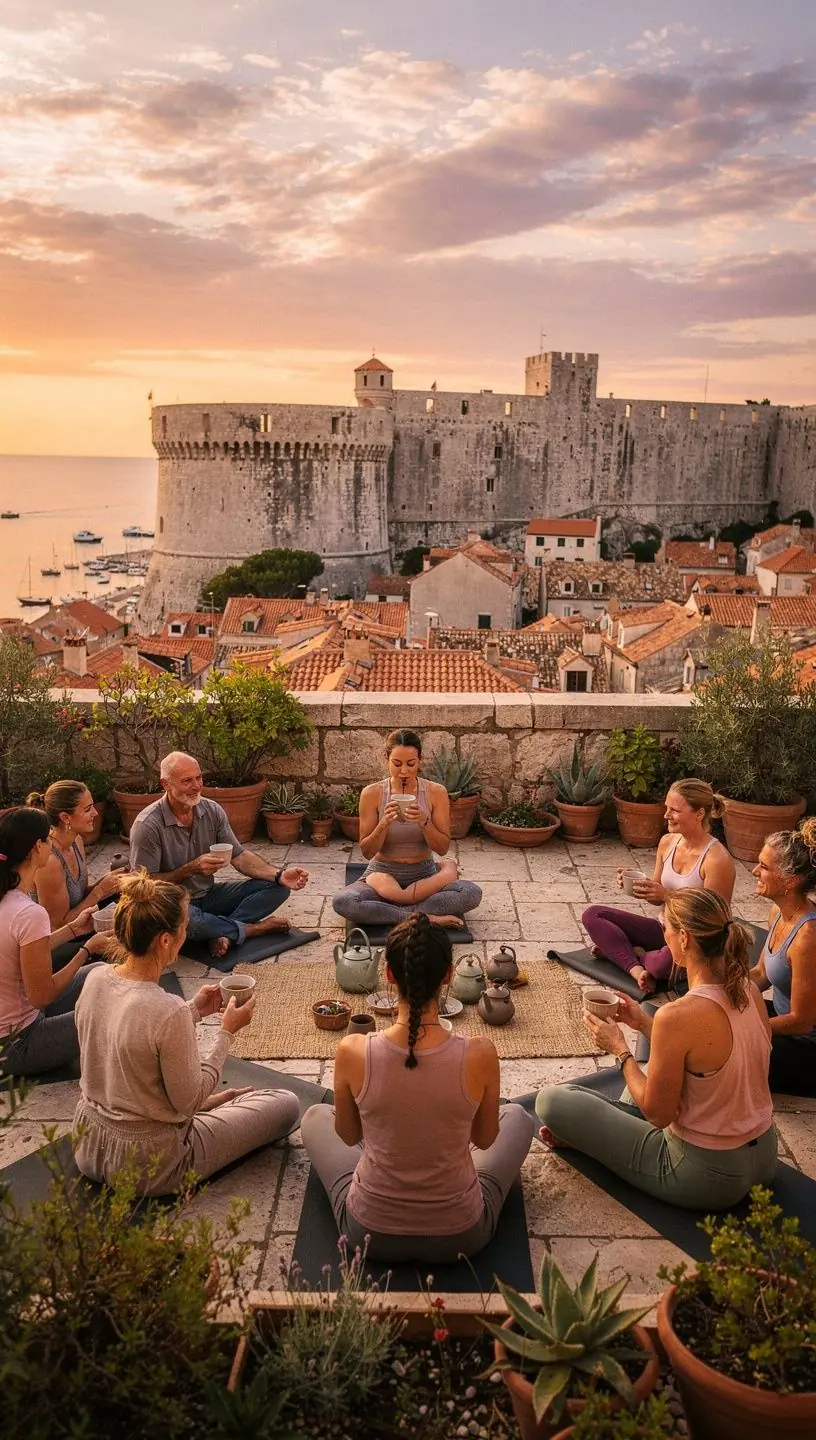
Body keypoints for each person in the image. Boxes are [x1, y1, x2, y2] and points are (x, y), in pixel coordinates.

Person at [301, 912, 533, 1261]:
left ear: (389, 974)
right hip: (461, 1235)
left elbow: (350, 1137)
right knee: (516, 1116)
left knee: (316, 1116)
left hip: (368, 1232)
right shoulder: (481, 1053)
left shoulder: (352, 1050)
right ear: (449, 976)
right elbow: (484, 1140)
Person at [536, 889, 777, 1209]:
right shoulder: (749, 990)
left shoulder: (677, 1016)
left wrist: (620, 1050)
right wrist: (643, 1025)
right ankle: (592, 1131)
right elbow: (716, 1058)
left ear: (685, 939)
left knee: (551, 1101)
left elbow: (658, 1115)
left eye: (667, 929)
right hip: (764, 1157)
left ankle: (588, 1134)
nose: (663, 937)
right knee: (651, 1071)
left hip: (707, 1175)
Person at [73, 870, 300, 1196]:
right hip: (150, 1163)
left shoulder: (95, 977)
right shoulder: (167, 1011)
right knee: (285, 1103)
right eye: (184, 927)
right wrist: (226, 1033)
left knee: (216, 1098)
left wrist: (194, 1010)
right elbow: (189, 1102)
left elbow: (128, 1040)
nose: (187, 933)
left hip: (89, 1144)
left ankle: (211, 1109)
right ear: (166, 939)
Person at [129, 752, 309, 960]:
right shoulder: (147, 825)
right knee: (192, 922)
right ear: (165, 784)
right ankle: (253, 929)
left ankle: (223, 932)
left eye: (198, 778)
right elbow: (142, 886)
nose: (197, 786)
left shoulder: (212, 810)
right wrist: (191, 869)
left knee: (278, 889)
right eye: (187, 781)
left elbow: (239, 856)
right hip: (171, 904)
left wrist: (279, 875)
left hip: (208, 895)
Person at [582, 779, 735, 992]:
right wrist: (641, 888)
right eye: (666, 808)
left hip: (692, 943)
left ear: (699, 814)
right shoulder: (667, 842)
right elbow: (657, 897)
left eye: (674, 810)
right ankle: (637, 968)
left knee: (660, 964)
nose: (666, 815)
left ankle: (632, 955)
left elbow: (714, 922)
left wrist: (668, 896)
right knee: (593, 914)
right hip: (664, 928)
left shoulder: (717, 860)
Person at [332, 729, 482, 929]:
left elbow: (443, 848)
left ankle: (396, 913)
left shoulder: (436, 792)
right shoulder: (372, 793)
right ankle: (424, 917)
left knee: (471, 893)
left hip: (423, 872)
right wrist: (383, 823)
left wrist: (424, 821)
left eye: (411, 764)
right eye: (396, 764)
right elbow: (367, 852)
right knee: (344, 902)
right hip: (382, 872)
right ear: (386, 759)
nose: (404, 771)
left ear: (420, 760)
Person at [0, 806, 105, 1077]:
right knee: (114, 1010)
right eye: (48, 839)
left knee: (101, 974)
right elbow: (41, 996)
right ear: (37, 847)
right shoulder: (28, 913)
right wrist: (85, 950)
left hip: (21, 1019)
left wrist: (73, 929)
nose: (52, 844)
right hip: (16, 1043)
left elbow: (21, 951)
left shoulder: (10, 902)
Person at [749, 820, 816, 1097]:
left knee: (720, 1050)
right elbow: (761, 974)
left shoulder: (808, 937)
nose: (754, 871)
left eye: (764, 867)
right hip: (782, 1021)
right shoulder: (778, 913)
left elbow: (802, 1021)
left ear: (791, 881)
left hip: (806, 1046)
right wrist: (717, 989)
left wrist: (744, 1027)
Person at [27, 780, 123, 928]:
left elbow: (79, 896)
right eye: (87, 809)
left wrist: (110, 881)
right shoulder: (49, 862)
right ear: (65, 817)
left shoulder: (76, 840)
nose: (95, 813)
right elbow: (58, 927)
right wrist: (101, 889)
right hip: (53, 941)